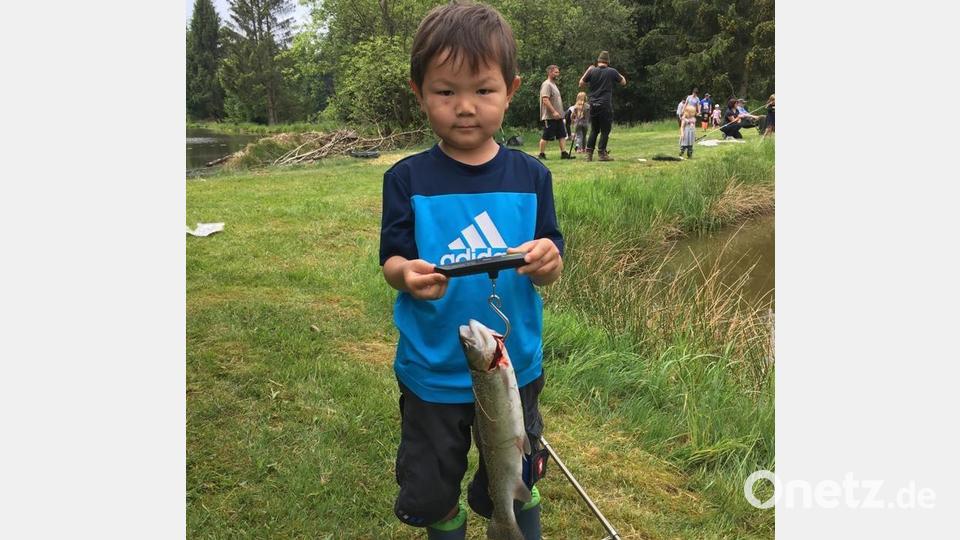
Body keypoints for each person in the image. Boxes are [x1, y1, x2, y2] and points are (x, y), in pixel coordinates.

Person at [379, 3, 564, 539]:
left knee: (516, 470)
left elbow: (550, 249)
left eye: (483, 90)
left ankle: (512, 524)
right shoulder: (407, 179)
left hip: (515, 368)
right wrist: (404, 274)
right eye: (445, 92)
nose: (465, 107)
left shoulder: (532, 176)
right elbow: (392, 257)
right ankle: (446, 525)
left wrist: (549, 261)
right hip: (433, 370)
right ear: (419, 92)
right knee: (432, 487)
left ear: (511, 89)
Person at [579, 50, 627, 161]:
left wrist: (588, 70)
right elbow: (623, 82)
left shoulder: (591, 71)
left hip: (593, 105)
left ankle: (588, 155)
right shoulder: (612, 71)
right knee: (605, 130)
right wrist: (616, 73)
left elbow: (581, 83)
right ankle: (602, 154)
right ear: (607, 62)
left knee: (594, 130)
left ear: (598, 61)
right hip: (605, 105)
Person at [538, 65, 573, 159]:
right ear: (550, 72)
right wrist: (553, 112)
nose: (558, 74)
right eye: (555, 72)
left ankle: (564, 153)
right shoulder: (547, 84)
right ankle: (541, 154)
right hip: (550, 116)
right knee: (546, 135)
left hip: (559, 116)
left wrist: (560, 113)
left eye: (558, 72)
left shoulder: (554, 84)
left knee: (562, 134)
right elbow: (545, 99)